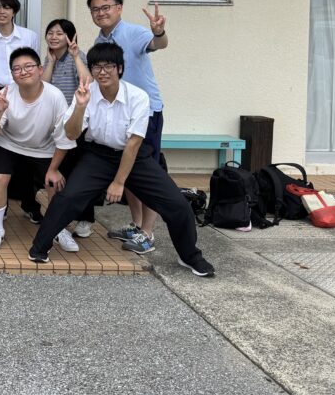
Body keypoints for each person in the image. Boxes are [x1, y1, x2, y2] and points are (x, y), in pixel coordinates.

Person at [28, 43, 215, 277]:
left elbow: (134, 143)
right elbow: (72, 134)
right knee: (68, 198)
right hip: (98, 156)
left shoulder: (138, 97)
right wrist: (80, 107)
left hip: (135, 157)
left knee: (177, 205)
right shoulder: (85, 93)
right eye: (97, 67)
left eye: (108, 66)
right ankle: (39, 247)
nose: (102, 71)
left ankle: (190, 256)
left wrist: (119, 182)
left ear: (119, 68)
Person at [88, 0, 169, 255]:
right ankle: (136, 225)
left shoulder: (133, 32)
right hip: (121, 114)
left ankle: (148, 233)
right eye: (95, 9)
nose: (101, 13)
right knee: (130, 171)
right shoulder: (101, 40)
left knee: (148, 173)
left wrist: (159, 32)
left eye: (106, 7)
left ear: (119, 8)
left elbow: (158, 44)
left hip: (146, 113)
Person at [0, 47, 77, 254]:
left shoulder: (55, 96)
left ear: (40, 70)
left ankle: (58, 228)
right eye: (17, 69)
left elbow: (64, 136)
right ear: (12, 74)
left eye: (28, 67)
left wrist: (54, 169)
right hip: (8, 143)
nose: (23, 72)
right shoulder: (6, 93)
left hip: (43, 148)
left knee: (55, 183)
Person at [0, 0, 44, 223]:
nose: (1, 11)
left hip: (24, 93)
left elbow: (35, 69)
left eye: (6, 7)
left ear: (14, 11)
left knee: (27, 146)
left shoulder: (29, 36)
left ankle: (29, 203)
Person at [40, 18, 96, 238]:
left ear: (70, 37)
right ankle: (59, 216)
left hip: (76, 123)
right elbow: (42, 87)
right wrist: (50, 62)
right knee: (59, 172)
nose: (53, 37)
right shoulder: (49, 58)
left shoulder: (78, 57)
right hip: (55, 125)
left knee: (78, 174)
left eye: (59, 33)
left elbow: (88, 81)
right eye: (50, 32)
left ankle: (85, 219)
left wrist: (75, 56)